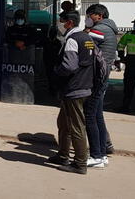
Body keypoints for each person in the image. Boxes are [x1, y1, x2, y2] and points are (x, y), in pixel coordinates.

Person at [47, 11, 94, 175]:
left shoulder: (73, 39)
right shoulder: (87, 38)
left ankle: (80, 163)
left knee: (76, 126)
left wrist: (56, 71)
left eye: (62, 21)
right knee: (63, 123)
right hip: (83, 85)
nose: (60, 23)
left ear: (69, 23)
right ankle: (63, 155)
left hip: (74, 88)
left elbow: (69, 66)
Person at [83, 4, 118, 168]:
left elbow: (87, 48)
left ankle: (96, 155)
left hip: (96, 78)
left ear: (98, 15)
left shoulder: (100, 30)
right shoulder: (110, 29)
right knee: (98, 116)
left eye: (89, 15)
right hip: (103, 76)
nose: (88, 18)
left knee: (90, 116)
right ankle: (102, 152)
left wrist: (84, 36)